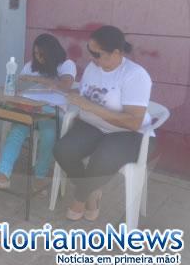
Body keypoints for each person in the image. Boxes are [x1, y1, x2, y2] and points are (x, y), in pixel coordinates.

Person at [53, 25, 153, 221]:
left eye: (96, 54)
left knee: (101, 160)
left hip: (127, 133)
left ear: (116, 53)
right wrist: (70, 95)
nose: (92, 58)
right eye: (90, 52)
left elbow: (133, 122)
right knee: (62, 150)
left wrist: (92, 108)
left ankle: (81, 198)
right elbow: (88, 95)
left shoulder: (135, 75)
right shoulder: (93, 67)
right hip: (92, 125)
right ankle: (92, 193)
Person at [0, 33, 76, 190]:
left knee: (48, 136)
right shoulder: (31, 66)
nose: (38, 58)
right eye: (35, 54)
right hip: (29, 107)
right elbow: (18, 85)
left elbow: (65, 85)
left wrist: (37, 80)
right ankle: (3, 175)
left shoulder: (66, 64)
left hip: (52, 111)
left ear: (52, 53)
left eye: (41, 54)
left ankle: (39, 176)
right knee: (16, 132)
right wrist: (19, 90)